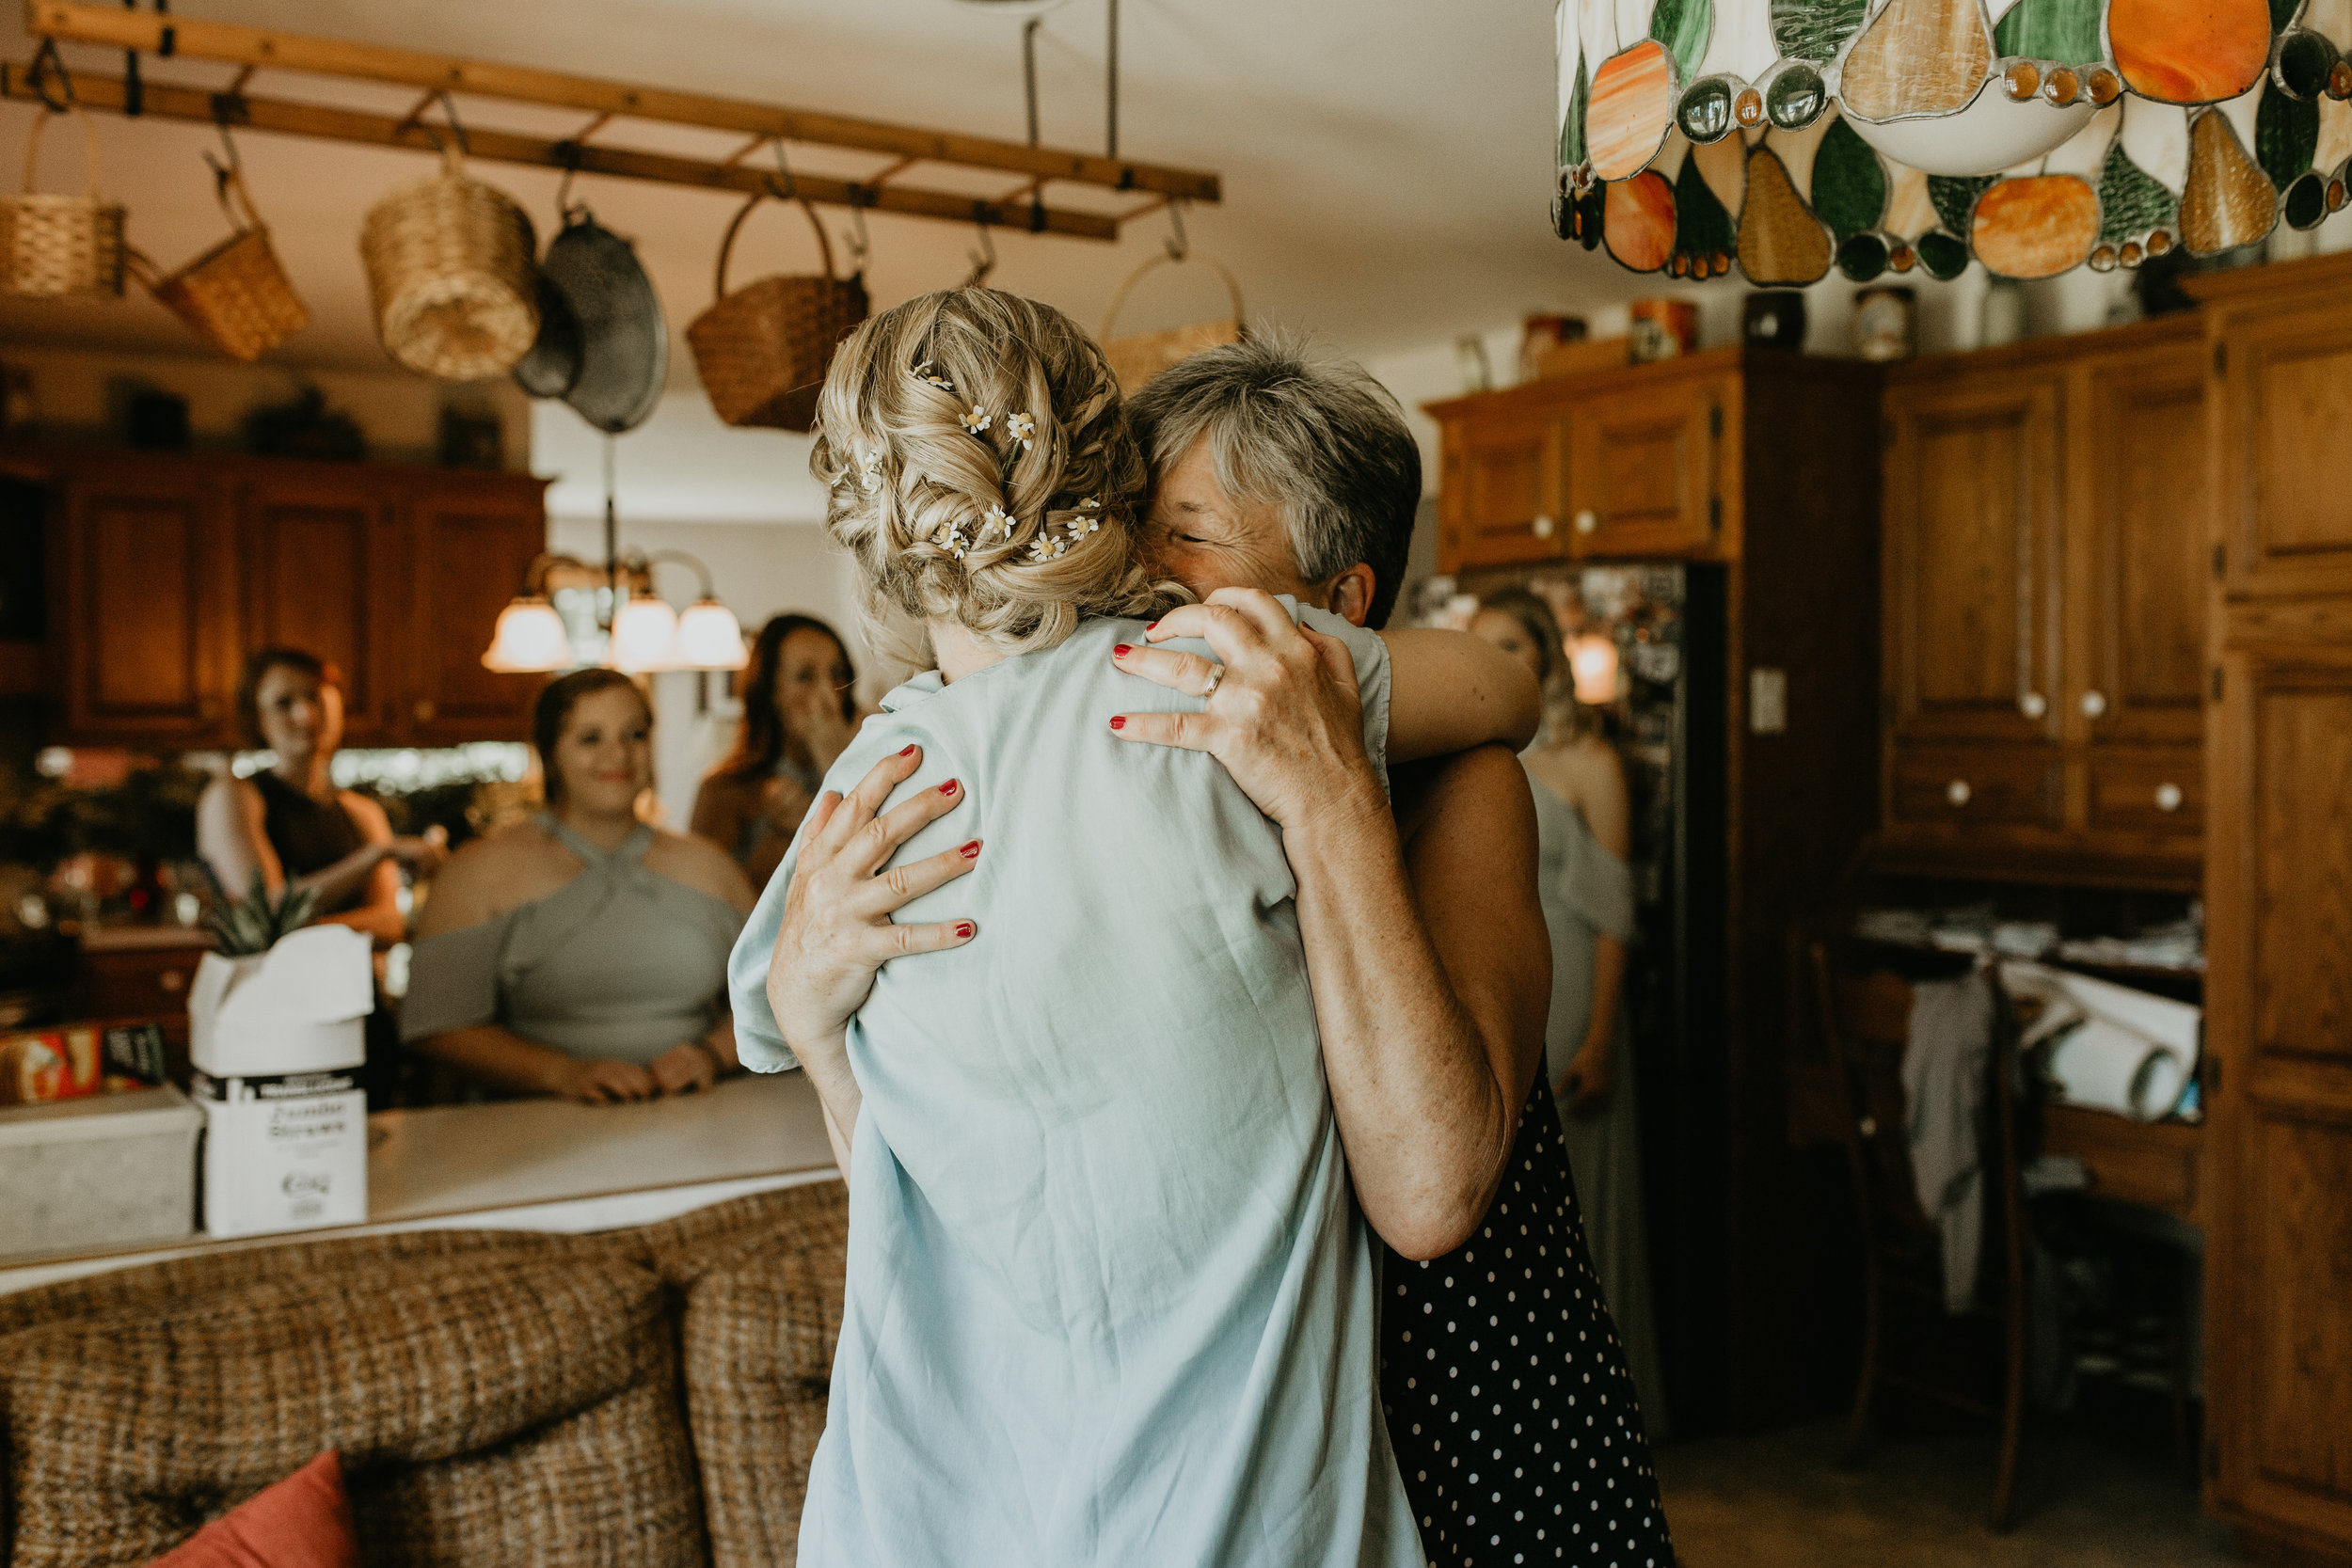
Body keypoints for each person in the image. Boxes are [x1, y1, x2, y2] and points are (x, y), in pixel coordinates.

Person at [766, 332, 1676, 1567]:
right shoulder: (1101, 775)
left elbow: (1430, 1194)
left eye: (1183, 535)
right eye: (1120, 526)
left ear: (1342, 605)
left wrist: (1331, 799)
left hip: (1460, 1436)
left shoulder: (1464, 791)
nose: (1126, 575)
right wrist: (819, 1024)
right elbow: (943, 1206)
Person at [1472, 586, 1671, 1440]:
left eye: (1510, 645)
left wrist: (1601, 1037)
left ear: (1545, 658)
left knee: (1582, 1213)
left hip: (1577, 999)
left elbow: (1616, 910)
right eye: (1478, 646)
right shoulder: (1468, 754)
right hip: (1498, 997)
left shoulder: (1590, 762)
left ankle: (1598, 1420)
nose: (1493, 662)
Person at [403, 668, 755, 1104]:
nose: (619, 754)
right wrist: (562, 1073)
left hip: (707, 1116)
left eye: (635, 734)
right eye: (591, 738)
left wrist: (712, 1055)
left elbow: (782, 991)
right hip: (533, 1132)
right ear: (551, 755)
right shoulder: (475, 872)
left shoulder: (710, 865)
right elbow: (434, 1023)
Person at [196, 647, 447, 946]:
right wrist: (375, 856)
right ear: (258, 720)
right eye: (283, 703)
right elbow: (268, 913)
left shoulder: (362, 812)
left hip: (355, 991)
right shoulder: (234, 797)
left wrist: (298, 933)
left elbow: (390, 923)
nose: (305, 714)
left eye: (314, 696)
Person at [690, 613, 863, 884]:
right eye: (805, 677)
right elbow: (712, 901)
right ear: (771, 691)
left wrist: (841, 760)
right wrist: (778, 836)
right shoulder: (723, 790)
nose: (827, 694)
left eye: (837, 674)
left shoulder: (867, 762)